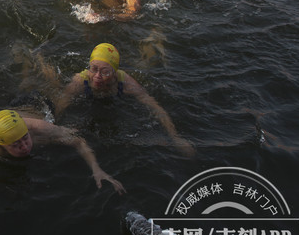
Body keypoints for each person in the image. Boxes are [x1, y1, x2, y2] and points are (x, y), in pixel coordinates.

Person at [54, 43, 194, 156]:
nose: (97, 76)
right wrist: (55, 129)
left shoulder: (126, 83)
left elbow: (155, 106)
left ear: (114, 73)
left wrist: (175, 137)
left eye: (105, 72)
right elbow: (61, 103)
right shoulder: (80, 80)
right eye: (94, 69)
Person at [0, 109, 125, 198]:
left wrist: (97, 169)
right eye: (16, 145)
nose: (25, 146)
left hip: (33, 106)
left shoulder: (40, 129)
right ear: (2, 145)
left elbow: (78, 140)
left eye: (25, 138)